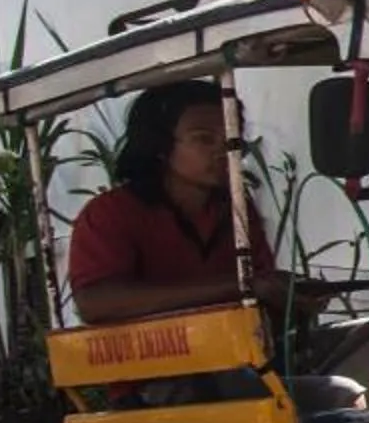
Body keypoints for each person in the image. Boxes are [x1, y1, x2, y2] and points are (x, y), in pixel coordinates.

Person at [66, 79, 285, 325]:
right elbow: (95, 303)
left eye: (232, 138)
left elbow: (263, 281)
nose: (224, 151)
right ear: (160, 145)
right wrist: (240, 287)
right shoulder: (110, 213)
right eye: (204, 139)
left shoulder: (237, 209)